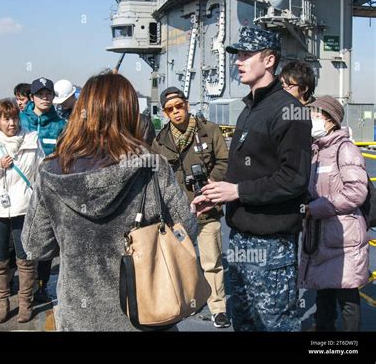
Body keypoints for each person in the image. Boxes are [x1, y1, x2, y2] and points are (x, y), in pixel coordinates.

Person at [21, 72, 198, 331]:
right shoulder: (150, 166)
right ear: (128, 112)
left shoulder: (51, 171)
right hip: (146, 313)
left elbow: (35, 246)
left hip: (80, 317)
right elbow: (187, 232)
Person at [192, 26, 312, 331]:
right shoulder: (249, 109)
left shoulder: (289, 111)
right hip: (242, 237)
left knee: (276, 324)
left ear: (269, 59)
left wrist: (238, 191)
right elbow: (244, 171)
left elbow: (294, 178)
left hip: (272, 243)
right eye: (237, 55)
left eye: (246, 54)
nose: (238, 61)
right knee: (244, 321)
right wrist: (215, 197)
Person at [151, 87, 230, 328]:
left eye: (179, 106)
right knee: (181, 263)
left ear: (186, 104)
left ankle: (218, 308)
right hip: (176, 213)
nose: (176, 112)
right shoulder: (160, 141)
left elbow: (225, 161)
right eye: (170, 109)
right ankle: (186, 304)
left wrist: (210, 184)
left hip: (206, 207)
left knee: (212, 261)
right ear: (165, 113)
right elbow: (156, 174)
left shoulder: (209, 130)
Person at [299, 96, 369, 331]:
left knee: (347, 296)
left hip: (343, 238)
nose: (310, 120)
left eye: (315, 115)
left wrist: (315, 209)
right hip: (320, 236)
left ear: (330, 120)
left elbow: (356, 192)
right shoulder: (315, 150)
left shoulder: (345, 149)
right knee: (324, 290)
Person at [0, 100, 44, 323]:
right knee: (0, 259)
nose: (12, 123)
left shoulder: (32, 140)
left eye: (14, 118)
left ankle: (25, 304)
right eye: (6, 119)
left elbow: (41, 173)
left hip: (24, 208)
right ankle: (2, 303)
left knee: (25, 259)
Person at [20, 77, 66, 303]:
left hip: (48, 191)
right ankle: (19, 287)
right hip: (21, 191)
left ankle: (41, 286)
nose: (45, 98)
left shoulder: (60, 125)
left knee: (46, 239)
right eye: (40, 94)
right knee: (19, 241)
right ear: (32, 97)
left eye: (49, 94)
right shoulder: (19, 121)